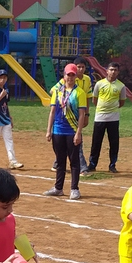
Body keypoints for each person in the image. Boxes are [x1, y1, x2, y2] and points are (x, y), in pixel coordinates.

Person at [44, 63, 87, 201]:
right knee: (60, 160)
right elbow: (52, 111)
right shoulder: (57, 91)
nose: (70, 77)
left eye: (73, 75)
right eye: (68, 74)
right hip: (58, 130)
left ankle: (74, 189)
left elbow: (81, 114)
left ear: (76, 76)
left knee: (74, 161)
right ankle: (58, 188)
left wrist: (78, 133)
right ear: (64, 75)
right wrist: (49, 130)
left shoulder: (80, 93)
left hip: (72, 130)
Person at [89, 62, 127, 173]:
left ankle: (112, 164)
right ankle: (92, 164)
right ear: (107, 71)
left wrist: (112, 108)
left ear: (118, 72)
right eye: (111, 69)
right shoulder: (99, 84)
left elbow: (122, 102)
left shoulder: (121, 86)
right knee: (96, 142)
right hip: (100, 117)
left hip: (113, 118)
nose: (113, 72)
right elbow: (94, 100)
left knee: (114, 143)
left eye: (115, 70)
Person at [0, 69, 23, 170]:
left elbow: (5, 105)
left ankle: (13, 161)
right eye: (1, 77)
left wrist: (10, 117)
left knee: (9, 140)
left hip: (5, 120)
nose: (3, 79)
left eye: (5, 78)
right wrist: (0, 96)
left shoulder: (6, 91)